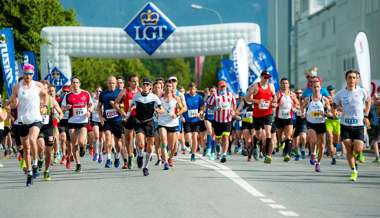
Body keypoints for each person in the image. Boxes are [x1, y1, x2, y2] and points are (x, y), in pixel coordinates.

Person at [8, 64, 47, 186]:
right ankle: (29, 172)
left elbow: (45, 95)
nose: (28, 76)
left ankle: (35, 163)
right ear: (23, 74)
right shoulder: (16, 87)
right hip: (22, 120)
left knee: (32, 140)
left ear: (33, 74)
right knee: (26, 148)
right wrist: (11, 104)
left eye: (30, 74)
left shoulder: (38, 86)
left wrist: (44, 106)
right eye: (26, 73)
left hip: (35, 118)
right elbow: (13, 103)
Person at [333, 70, 371, 181]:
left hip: (358, 125)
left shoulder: (362, 91)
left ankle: (358, 154)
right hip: (345, 124)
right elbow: (334, 104)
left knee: (358, 148)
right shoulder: (340, 93)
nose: (352, 80)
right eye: (350, 77)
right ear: (346, 79)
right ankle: (354, 170)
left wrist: (367, 115)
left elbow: (368, 101)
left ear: (356, 79)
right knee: (348, 147)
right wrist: (335, 111)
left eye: (354, 77)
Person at [124, 78, 163, 176]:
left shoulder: (154, 97)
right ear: (142, 86)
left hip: (150, 123)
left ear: (150, 87)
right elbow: (131, 107)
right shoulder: (136, 96)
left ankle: (146, 167)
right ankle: (140, 155)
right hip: (139, 122)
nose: (145, 86)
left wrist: (158, 111)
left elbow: (161, 109)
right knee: (141, 144)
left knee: (150, 146)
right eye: (144, 84)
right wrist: (127, 116)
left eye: (147, 84)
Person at [61, 77, 94, 173]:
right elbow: (62, 107)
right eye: (73, 83)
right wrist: (66, 107)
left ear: (79, 83)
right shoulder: (68, 95)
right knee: (74, 143)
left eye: (77, 82)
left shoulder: (85, 93)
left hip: (83, 121)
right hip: (72, 121)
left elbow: (91, 104)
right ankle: (78, 164)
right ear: (71, 84)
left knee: (81, 142)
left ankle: (83, 147)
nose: (75, 84)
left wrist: (89, 111)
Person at [246, 71, 277, 164]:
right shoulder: (255, 86)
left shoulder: (271, 86)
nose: (266, 79)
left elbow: (274, 97)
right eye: (265, 77)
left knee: (268, 133)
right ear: (261, 77)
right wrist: (257, 101)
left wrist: (274, 102)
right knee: (258, 134)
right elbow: (247, 98)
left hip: (268, 113)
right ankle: (255, 145)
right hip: (257, 114)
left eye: (268, 77)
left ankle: (267, 155)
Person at [302, 80, 331, 172]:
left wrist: (327, 113)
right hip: (311, 123)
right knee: (313, 140)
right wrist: (303, 113)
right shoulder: (308, 99)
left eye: (317, 87)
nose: (316, 88)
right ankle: (313, 153)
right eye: (314, 87)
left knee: (322, 145)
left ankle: (318, 163)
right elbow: (302, 107)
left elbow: (329, 110)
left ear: (320, 88)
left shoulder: (324, 99)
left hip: (321, 123)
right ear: (312, 88)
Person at [38, 81, 63, 181]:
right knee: (41, 148)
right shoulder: (35, 99)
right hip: (37, 126)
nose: (43, 90)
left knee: (48, 152)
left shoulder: (51, 100)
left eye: (45, 88)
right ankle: (39, 159)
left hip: (48, 127)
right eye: (41, 88)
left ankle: (47, 170)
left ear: (47, 89)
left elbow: (60, 113)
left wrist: (58, 118)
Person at [157, 80, 185, 169]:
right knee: (164, 142)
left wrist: (177, 114)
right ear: (164, 87)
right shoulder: (159, 98)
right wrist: (157, 111)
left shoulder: (176, 98)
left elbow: (184, 108)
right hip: (162, 123)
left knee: (172, 146)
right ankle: (165, 162)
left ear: (172, 88)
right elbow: (155, 107)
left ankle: (170, 158)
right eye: (167, 86)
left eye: (170, 86)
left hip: (173, 123)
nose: (168, 88)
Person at [115, 74, 141, 169]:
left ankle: (139, 154)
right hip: (128, 117)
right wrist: (122, 113)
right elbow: (116, 104)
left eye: (137, 81)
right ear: (129, 82)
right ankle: (130, 156)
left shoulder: (140, 91)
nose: (135, 83)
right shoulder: (125, 91)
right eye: (133, 81)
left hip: (138, 118)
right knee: (128, 139)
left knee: (139, 138)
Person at [97, 76, 124, 169]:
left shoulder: (120, 92)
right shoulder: (103, 94)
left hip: (118, 120)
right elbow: (98, 107)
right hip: (107, 120)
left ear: (116, 83)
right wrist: (100, 117)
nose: (111, 84)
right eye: (110, 83)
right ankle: (108, 159)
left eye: (113, 83)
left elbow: (124, 106)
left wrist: (117, 105)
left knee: (118, 142)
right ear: (107, 83)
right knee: (108, 138)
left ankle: (117, 157)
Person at [208, 79, 237, 163]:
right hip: (217, 120)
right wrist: (215, 108)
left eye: (224, 86)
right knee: (218, 138)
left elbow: (234, 104)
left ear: (226, 86)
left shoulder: (230, 95)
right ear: (218, 87)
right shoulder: (215, 95)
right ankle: (217, 144)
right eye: (221, 86)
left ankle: (224, 154)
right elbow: (209, 105)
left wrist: (233, 110)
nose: (223, 88)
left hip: (227, 119)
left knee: (226, 137)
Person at [275, 78, 299, 162]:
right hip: (279, 118)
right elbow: (273, 104)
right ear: (280, 84)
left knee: (288, 136)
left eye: (286, 83)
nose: (285, 85)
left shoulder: (292, 94)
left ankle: (287, 154)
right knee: (280, 138)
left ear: (288, 84)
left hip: (289, 118)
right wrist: (278, 104)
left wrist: (294, 107)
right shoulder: (278, 94)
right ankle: (282, 145)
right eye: (283, 83)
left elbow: (297, 104)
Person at [183, 82, 204, 161]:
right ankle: (189, 145)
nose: (192, 90)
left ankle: (193, 154)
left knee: (195, 136)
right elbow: (181, 106)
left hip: (196, 120)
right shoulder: (185, 97)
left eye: (194, 89)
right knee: (188, 137)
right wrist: (182, 116)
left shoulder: (199, 97)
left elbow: (202, 108)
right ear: (189, 89)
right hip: (187, 120)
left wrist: (200, 113)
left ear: (196, 89)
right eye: (191, 89)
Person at [325, 85, 341, 165]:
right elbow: (325, 110)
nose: (330, 91)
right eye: (329, 90)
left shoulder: (338, 98)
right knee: (330, 137)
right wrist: (327, 113)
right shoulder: (326, 99)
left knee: (336, 140)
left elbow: (342, 109)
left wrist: (339, 113)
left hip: (337, 121)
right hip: (329, 121)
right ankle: (333, 157)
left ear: (334, 90)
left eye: (331, 89)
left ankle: (332, 150)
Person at [369, 94, 380, 163]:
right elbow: (368, 114)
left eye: (378, 99)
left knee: (374, 142)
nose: (377, 100)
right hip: (375, 126)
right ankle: (377, 157)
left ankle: (377, 157)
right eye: (375, 99)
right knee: (373, 142)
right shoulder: (372, 106)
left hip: (378, 125)